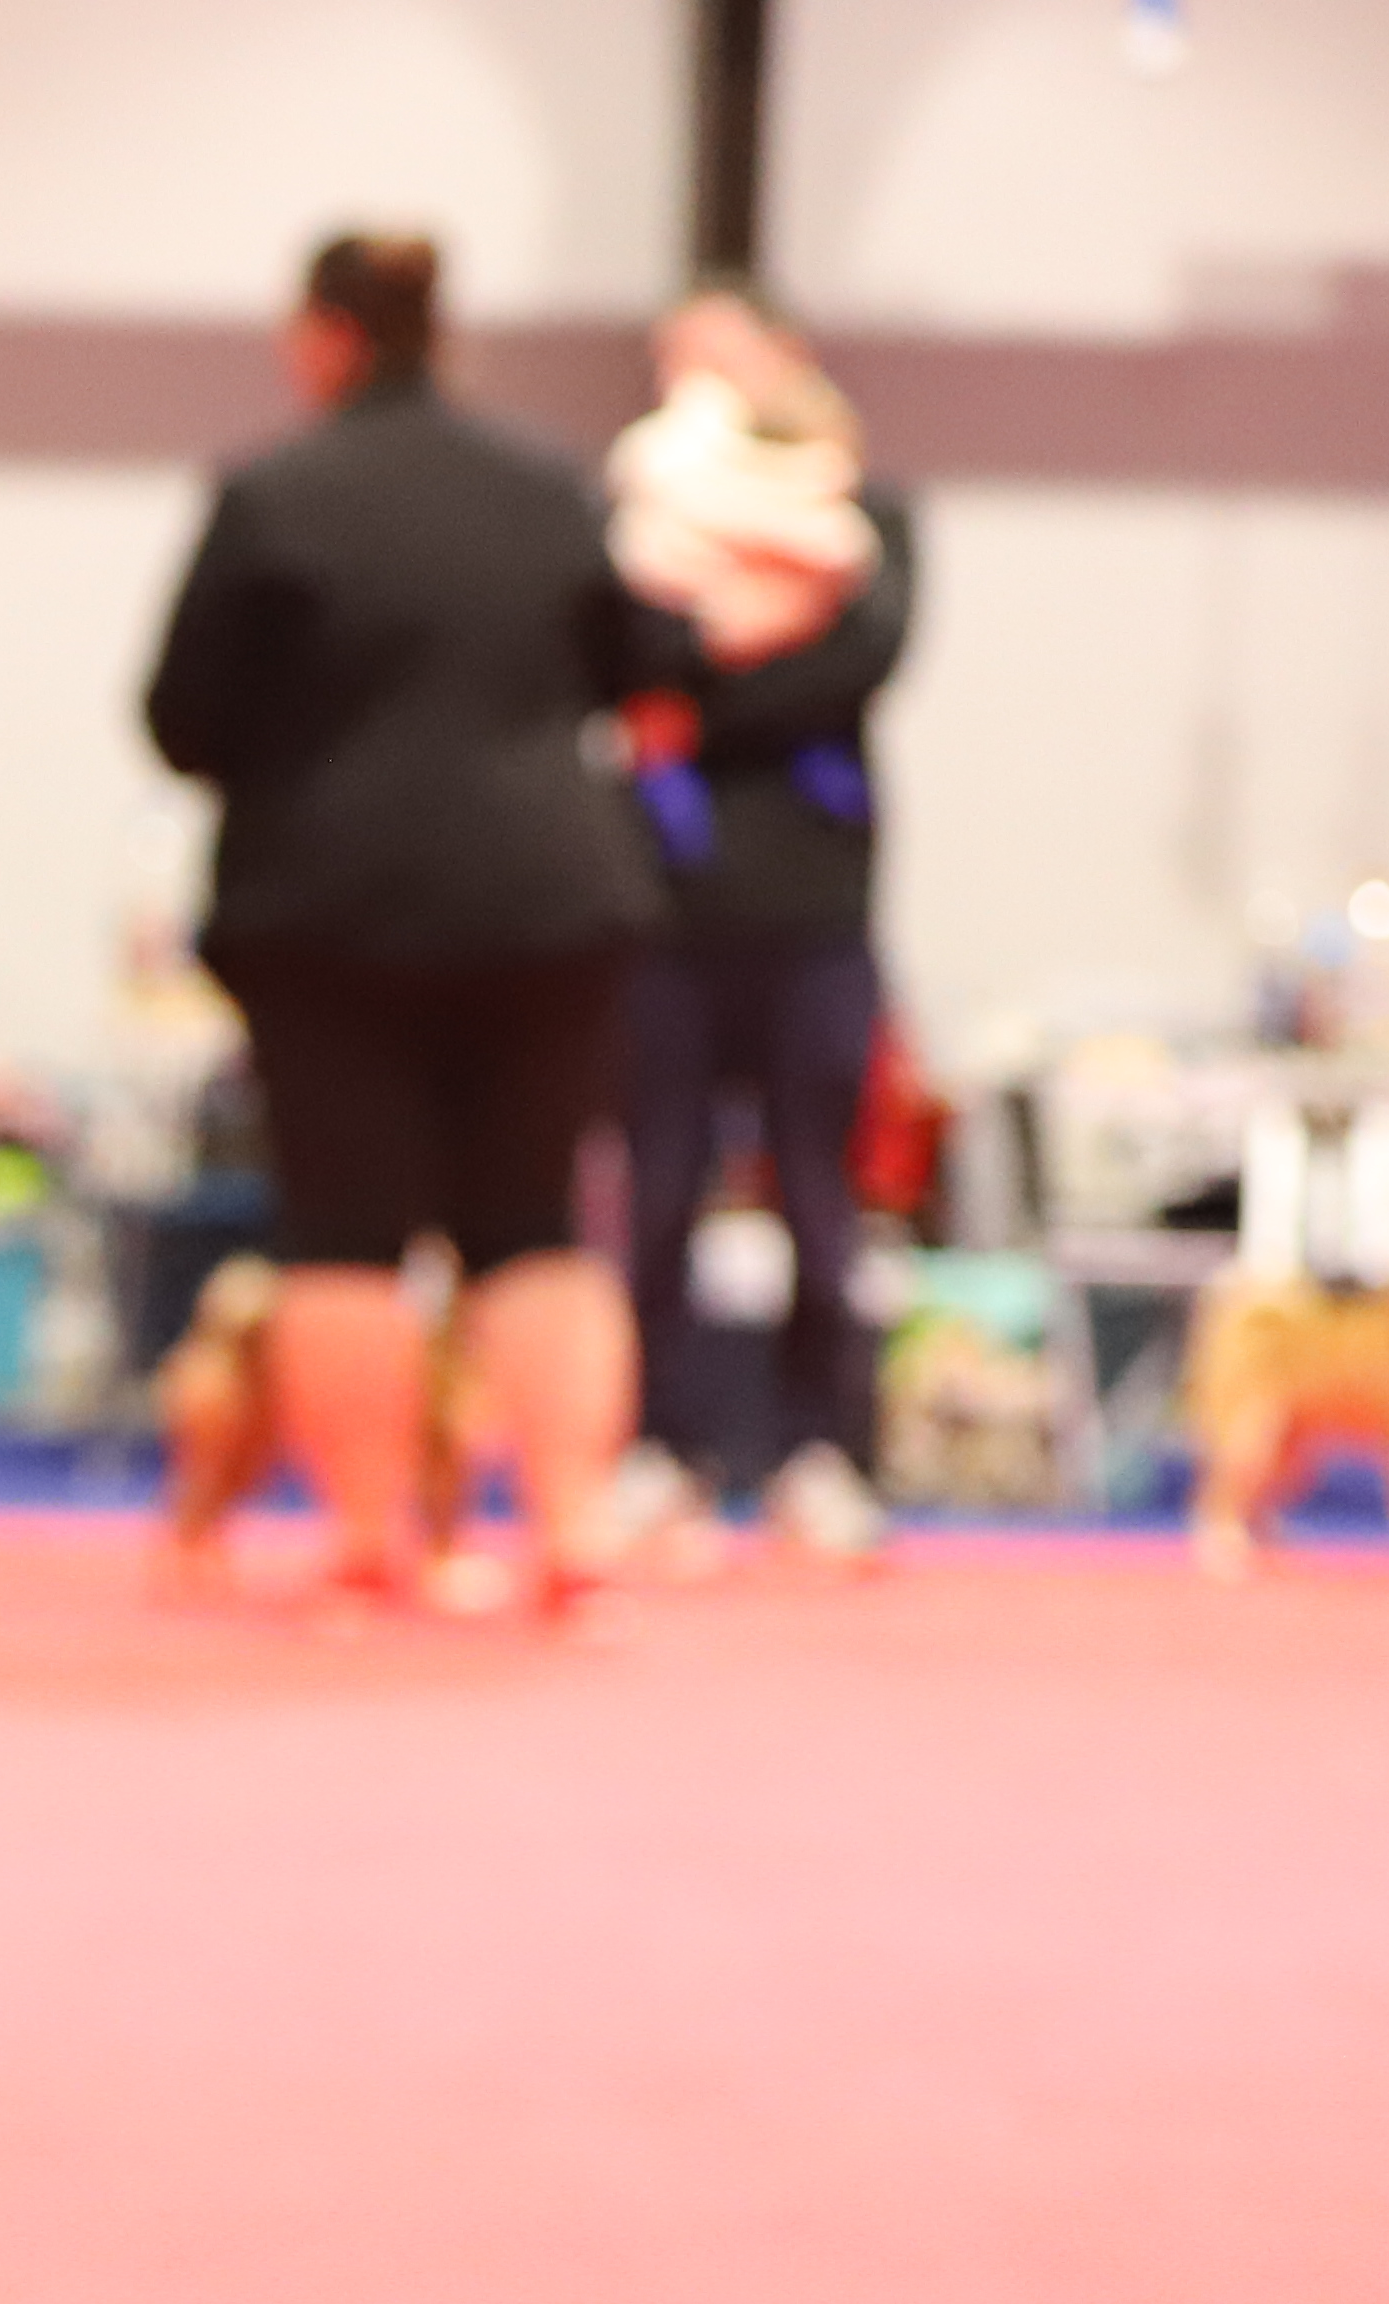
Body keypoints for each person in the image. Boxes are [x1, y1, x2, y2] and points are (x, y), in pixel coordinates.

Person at [142, 227, 665, 1611]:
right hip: (545, 897)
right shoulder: (554, 485)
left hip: (330, 907)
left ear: (325, 335)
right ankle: (571, 1534)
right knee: (535, 1225)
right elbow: (644, 671)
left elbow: (181, 720)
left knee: (345, 1230)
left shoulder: (272, 493)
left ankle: (371, 1541)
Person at [606, 285, 914, 1565]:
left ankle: (819, 1451)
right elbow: (622, 655)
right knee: (656, 1197)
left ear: (783, 360)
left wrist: (707, 688)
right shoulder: (635, 509)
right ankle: (659, 1453)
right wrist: (709, 666)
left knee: (820, 1202)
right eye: (677, 356)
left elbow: (859, 658)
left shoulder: (869, 513)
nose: (700, 374)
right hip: (663, 915)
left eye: (722, 351)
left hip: (815, 917)